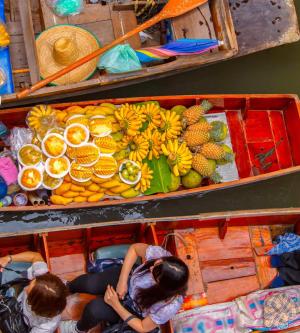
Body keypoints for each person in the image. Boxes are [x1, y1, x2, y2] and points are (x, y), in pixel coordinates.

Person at [59, 243, 189, 333]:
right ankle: (66, 288)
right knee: (89, 283)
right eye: (155, 264)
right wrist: (122, 281)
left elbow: (143, 327)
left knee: (94, 309)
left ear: (163, 287)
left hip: (132, 309)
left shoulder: (170, 306)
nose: (150, 268)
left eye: (155, 274)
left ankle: (79, 329)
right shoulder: (162, 256)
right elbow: (134, 249)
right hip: (128, 279)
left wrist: (116, 305)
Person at [0, 251, 68, 333]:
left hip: (20, 320)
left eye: (29, 294)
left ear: (36, 307)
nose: (25, 289)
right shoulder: (42, 277)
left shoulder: (47, 326)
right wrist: (8, 258)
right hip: (15, 298)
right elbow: (35, 256)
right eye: (32, 282)